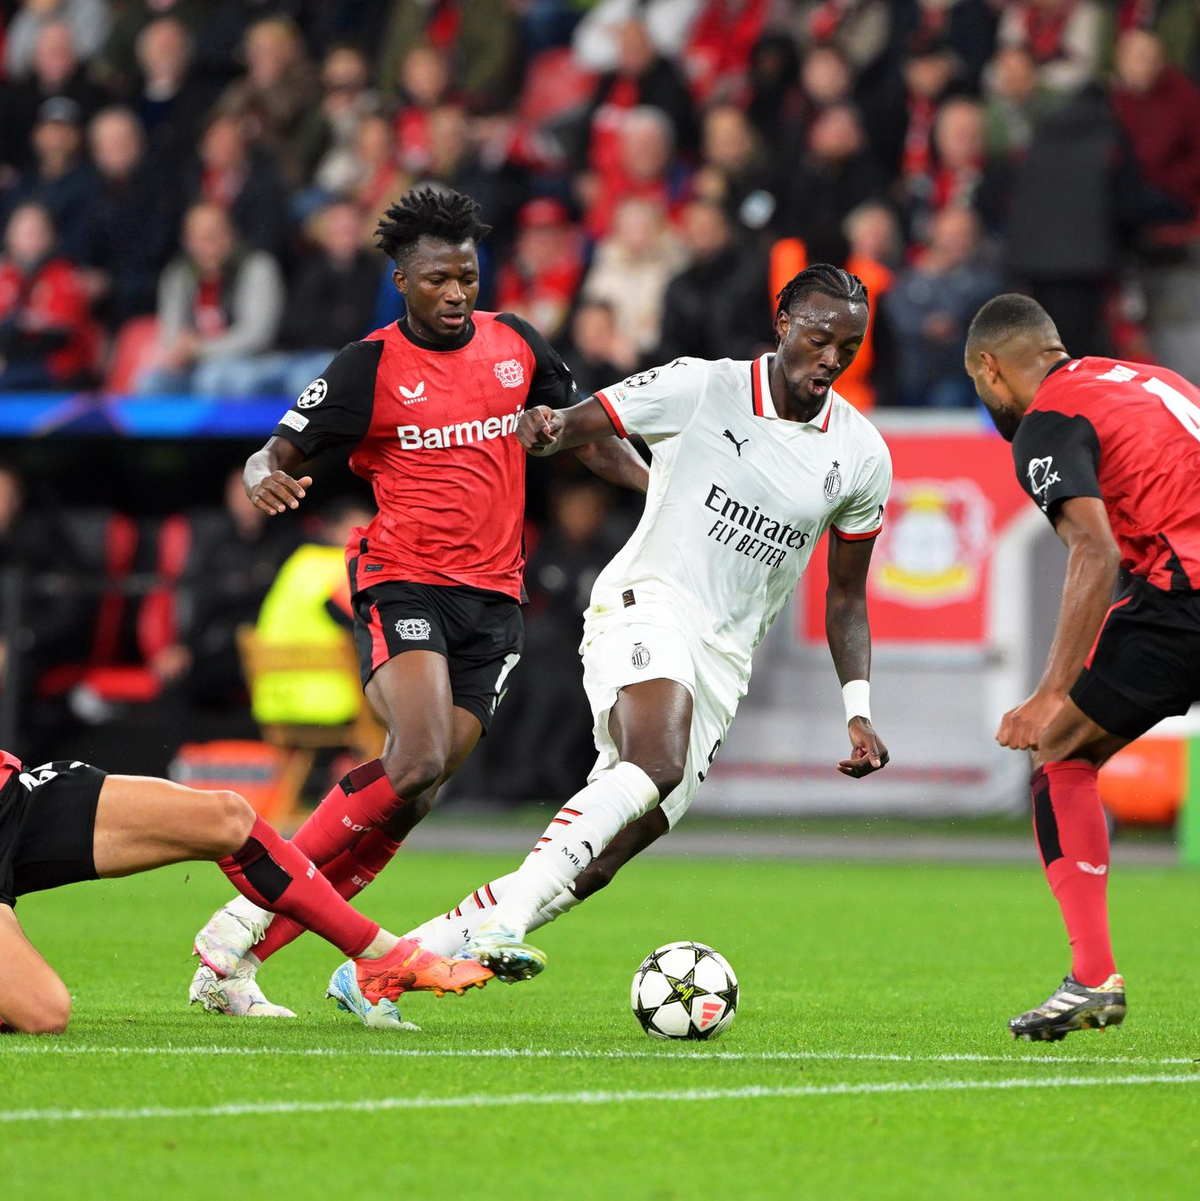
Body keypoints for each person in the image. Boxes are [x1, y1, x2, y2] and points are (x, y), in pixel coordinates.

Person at [188, 186, 648, 1020]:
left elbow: (589, 431)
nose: (456, 294)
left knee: (417, 791)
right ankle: (244, 912)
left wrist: (658, 491)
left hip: (495, 600)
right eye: (437, 279)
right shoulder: (368, 366)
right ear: (402, 281)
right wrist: (265, 474)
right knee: (415, 756)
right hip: (404, 580)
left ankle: (238, 954)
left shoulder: (516, 345)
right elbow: (278, 447)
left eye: (467, 277)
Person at [393, 264, 892, 1004]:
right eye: (819, 339)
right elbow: (582, 422)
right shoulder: (702, 386)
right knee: (653, 759)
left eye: (846, 348)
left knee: (599, 858)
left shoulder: (861, 455)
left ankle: (394, 961)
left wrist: (858, 706)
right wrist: (547, 426)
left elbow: (846, 595)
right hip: (647, 601)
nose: (830, 359)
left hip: (724, 657)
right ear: (783, 319)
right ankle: (510, 921)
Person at [964, 292, 1200, 1041]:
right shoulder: (1145, 379)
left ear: (991, 369)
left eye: (981, 389)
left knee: (1059, 747)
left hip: (1184, 595)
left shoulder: (1048, 418)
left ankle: (1092, 977)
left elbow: (1093, 550)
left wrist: (1050, 689)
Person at [0, 748, 491, 1034]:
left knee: (226, 817)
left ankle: (381, 954)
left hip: (12, 795)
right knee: (44, 1013)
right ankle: (386, 955)